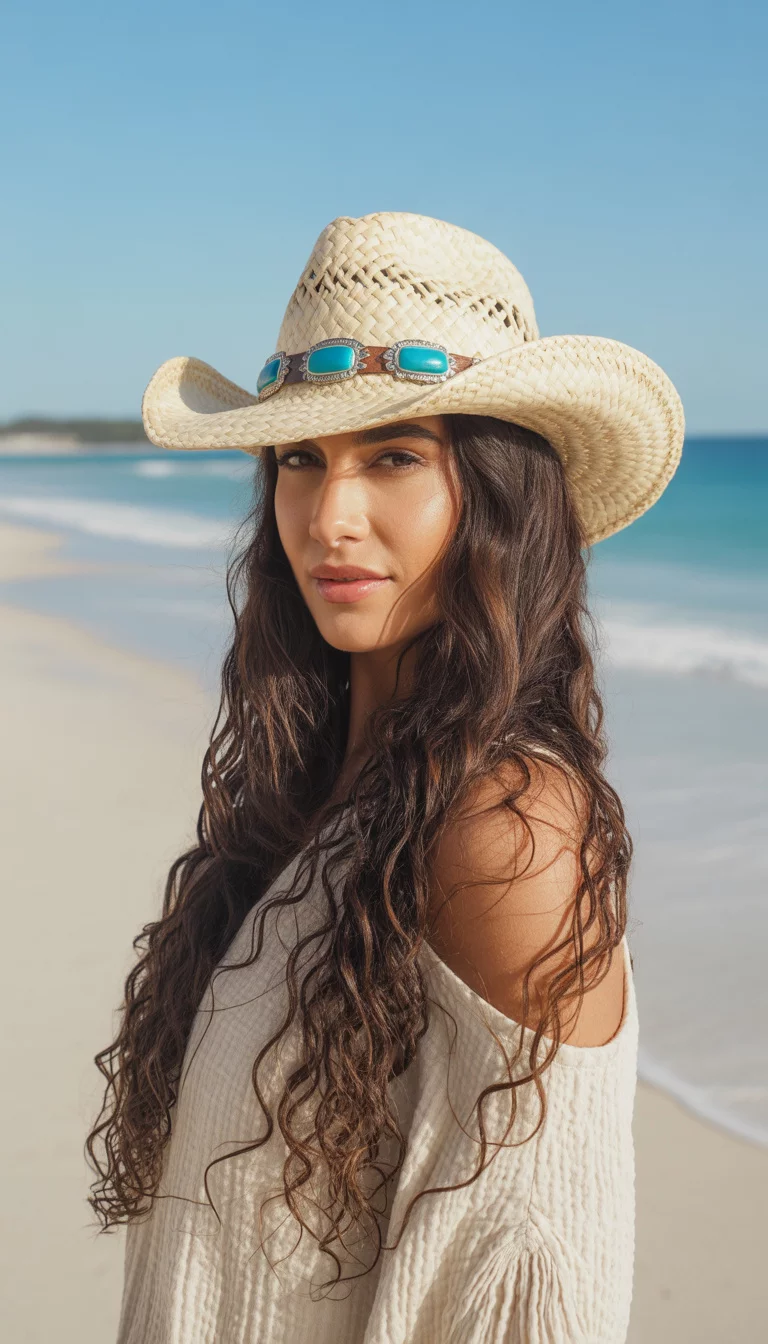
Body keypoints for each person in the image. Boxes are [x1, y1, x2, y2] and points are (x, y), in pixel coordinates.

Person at [86, 212, 684, 1343]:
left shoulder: (503, 831)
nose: (329, 517)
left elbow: (532, 1286)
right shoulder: (315, 795)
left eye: (395, 456)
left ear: (499, 492)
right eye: (300, 459)